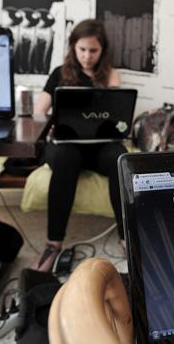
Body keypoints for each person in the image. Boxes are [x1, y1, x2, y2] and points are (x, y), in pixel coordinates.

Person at [31, 19, 124, 272]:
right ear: (73, 47)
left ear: (102, 50)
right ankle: (53, 243)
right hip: (65, 145)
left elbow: (115, 114)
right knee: (65, 158)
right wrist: (48, 123)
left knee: (121, 158)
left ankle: (127, 239)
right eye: (82, 49)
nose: (87, 56)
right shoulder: (59, 73)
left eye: (93, 51)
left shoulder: (110, 75)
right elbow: (39, 111)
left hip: (98, 146)